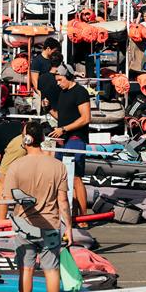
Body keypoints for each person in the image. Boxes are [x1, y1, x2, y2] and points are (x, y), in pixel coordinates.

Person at [2, 121, 73, 292]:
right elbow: (63, 201)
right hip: (50, 223)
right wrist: (69, 227)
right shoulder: (58, 166)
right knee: (51, 269)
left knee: (26, 269)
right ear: (42, 139)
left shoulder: (16, 166)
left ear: (25, 140)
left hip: (24, 224)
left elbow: (8, 199)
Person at [48, 64, 90, 218]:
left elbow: (86, 118)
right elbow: (62, 117)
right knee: (63, 177)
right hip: (63, 140)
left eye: (60, 80)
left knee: (76, 177)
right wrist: (49, 110)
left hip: (76, 138)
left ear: (69, 77)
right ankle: (71, 213)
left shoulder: (80, 92)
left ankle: (84, 216)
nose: (58, 83)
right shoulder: (62, 93)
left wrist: (64, 129)